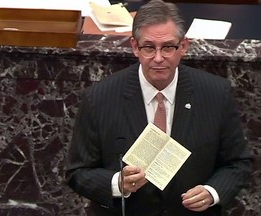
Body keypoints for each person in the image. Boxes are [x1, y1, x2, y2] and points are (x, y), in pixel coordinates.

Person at [66, 0, 252, 215]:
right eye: (148, 47)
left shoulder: (216, 93)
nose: (158, 58)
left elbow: (238, 163)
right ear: (135, 47)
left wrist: (213, 192)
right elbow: (77, 172)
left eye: (168, 47)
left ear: (183, 46)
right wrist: (117, 183)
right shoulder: (99, 98)